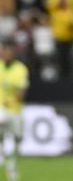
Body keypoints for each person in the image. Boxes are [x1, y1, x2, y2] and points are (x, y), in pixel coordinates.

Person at [0, 39, 29, 181]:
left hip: (15, 110)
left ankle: (12, 166)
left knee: (17, 139)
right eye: (4, 51)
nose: (6, 54)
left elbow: (21, 93)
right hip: (1, 109)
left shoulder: (20, 69)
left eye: (9, 51)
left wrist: (9, 100)